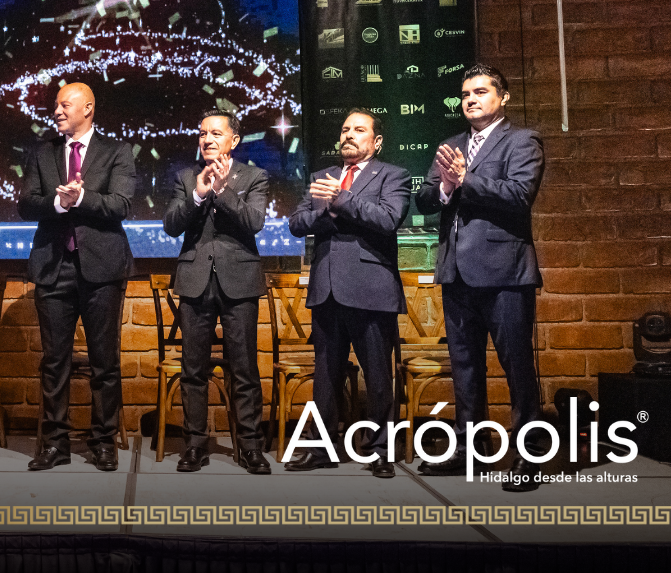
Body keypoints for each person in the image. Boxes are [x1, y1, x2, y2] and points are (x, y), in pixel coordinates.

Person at [416, 64, 545, 492]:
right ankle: (472, 447)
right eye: (465, 93)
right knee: (465, 367)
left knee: (517, 367)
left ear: (503, 97)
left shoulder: (522, 141)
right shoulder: (450, 145)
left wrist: (466, 179)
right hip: (456, 274)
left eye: (481, 91)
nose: (470, 99)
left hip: (505, 273)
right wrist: (447, 188)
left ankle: (529, 455)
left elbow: (519, 195)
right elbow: (425, 199)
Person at [287, 109, 410, 478]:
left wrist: (340, 200)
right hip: (326, 289)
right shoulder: (320, 177)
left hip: (371, 290)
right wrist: (328, 212)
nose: (349, 135)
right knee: (325, 373)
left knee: (377, 375)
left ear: (377, 141)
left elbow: (388, 219)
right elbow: (297, 223)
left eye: (359, 130)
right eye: (344, 130)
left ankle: (381, 450)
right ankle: (322, 447)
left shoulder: (393, 175)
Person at [18, 82, 136, 472]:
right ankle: (54, 444)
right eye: (55, 105)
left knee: (105, 361)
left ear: (88, 108)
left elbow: (121, 204)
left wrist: (82, 199)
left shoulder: (117, 151)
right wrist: (57, 201)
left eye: (65, 105)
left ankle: (103, 442)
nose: (57, 111)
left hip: (101, 268)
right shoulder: (44, 152)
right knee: (55, 362)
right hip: (54, 267)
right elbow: (26, 203)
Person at [162, 110, 273, 475]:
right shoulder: (185, 178)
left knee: (244, 369)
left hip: (239, 282)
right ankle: (194, 445)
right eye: (202, 133)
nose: (207, 139)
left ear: (234, 140)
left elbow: (253, 222)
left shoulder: (254, 176)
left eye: (215, 133)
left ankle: (250, 447)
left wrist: (222, 191)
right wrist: (198, 193)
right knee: (193, 370)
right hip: (195, 281)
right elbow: (171, 226)